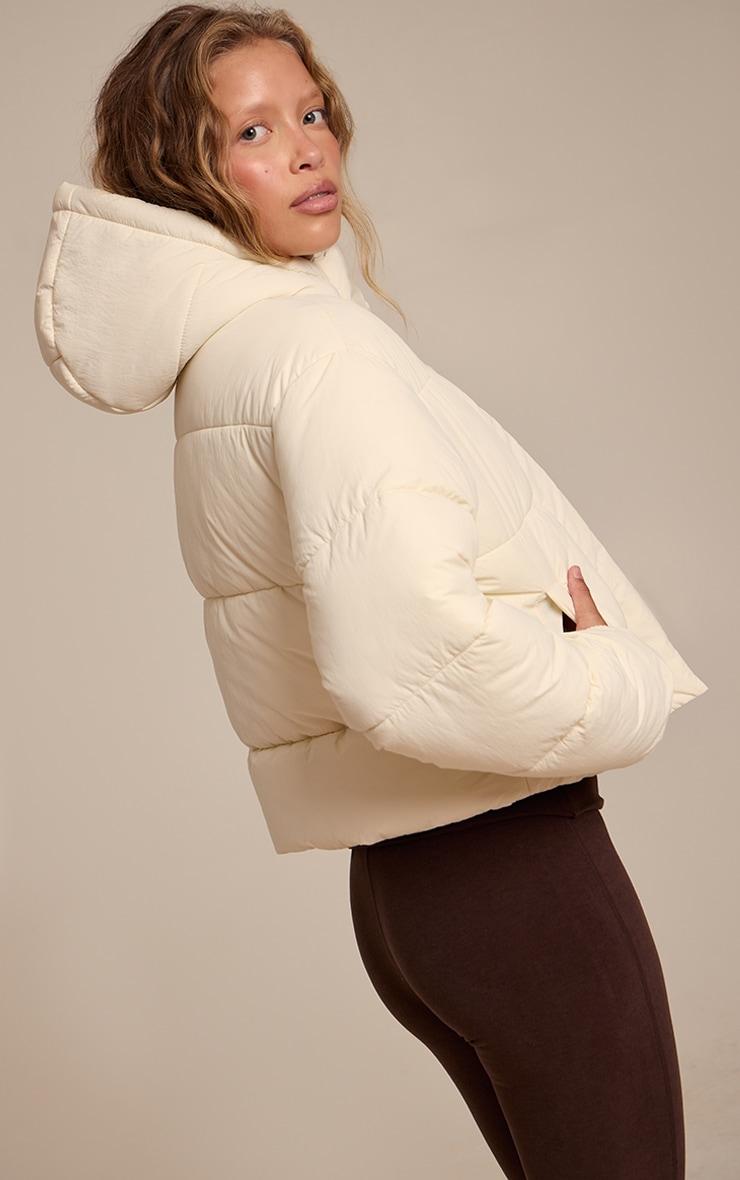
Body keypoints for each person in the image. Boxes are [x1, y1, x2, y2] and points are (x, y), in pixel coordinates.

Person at [33, 6, 709, 1177]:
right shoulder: (319, 353)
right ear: (183, 172)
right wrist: (614, 676)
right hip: (511, 870)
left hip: (410, 892)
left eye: (311, 112)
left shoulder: (237, 357)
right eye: (252, 131)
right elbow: (412, 665)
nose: (307, 148)